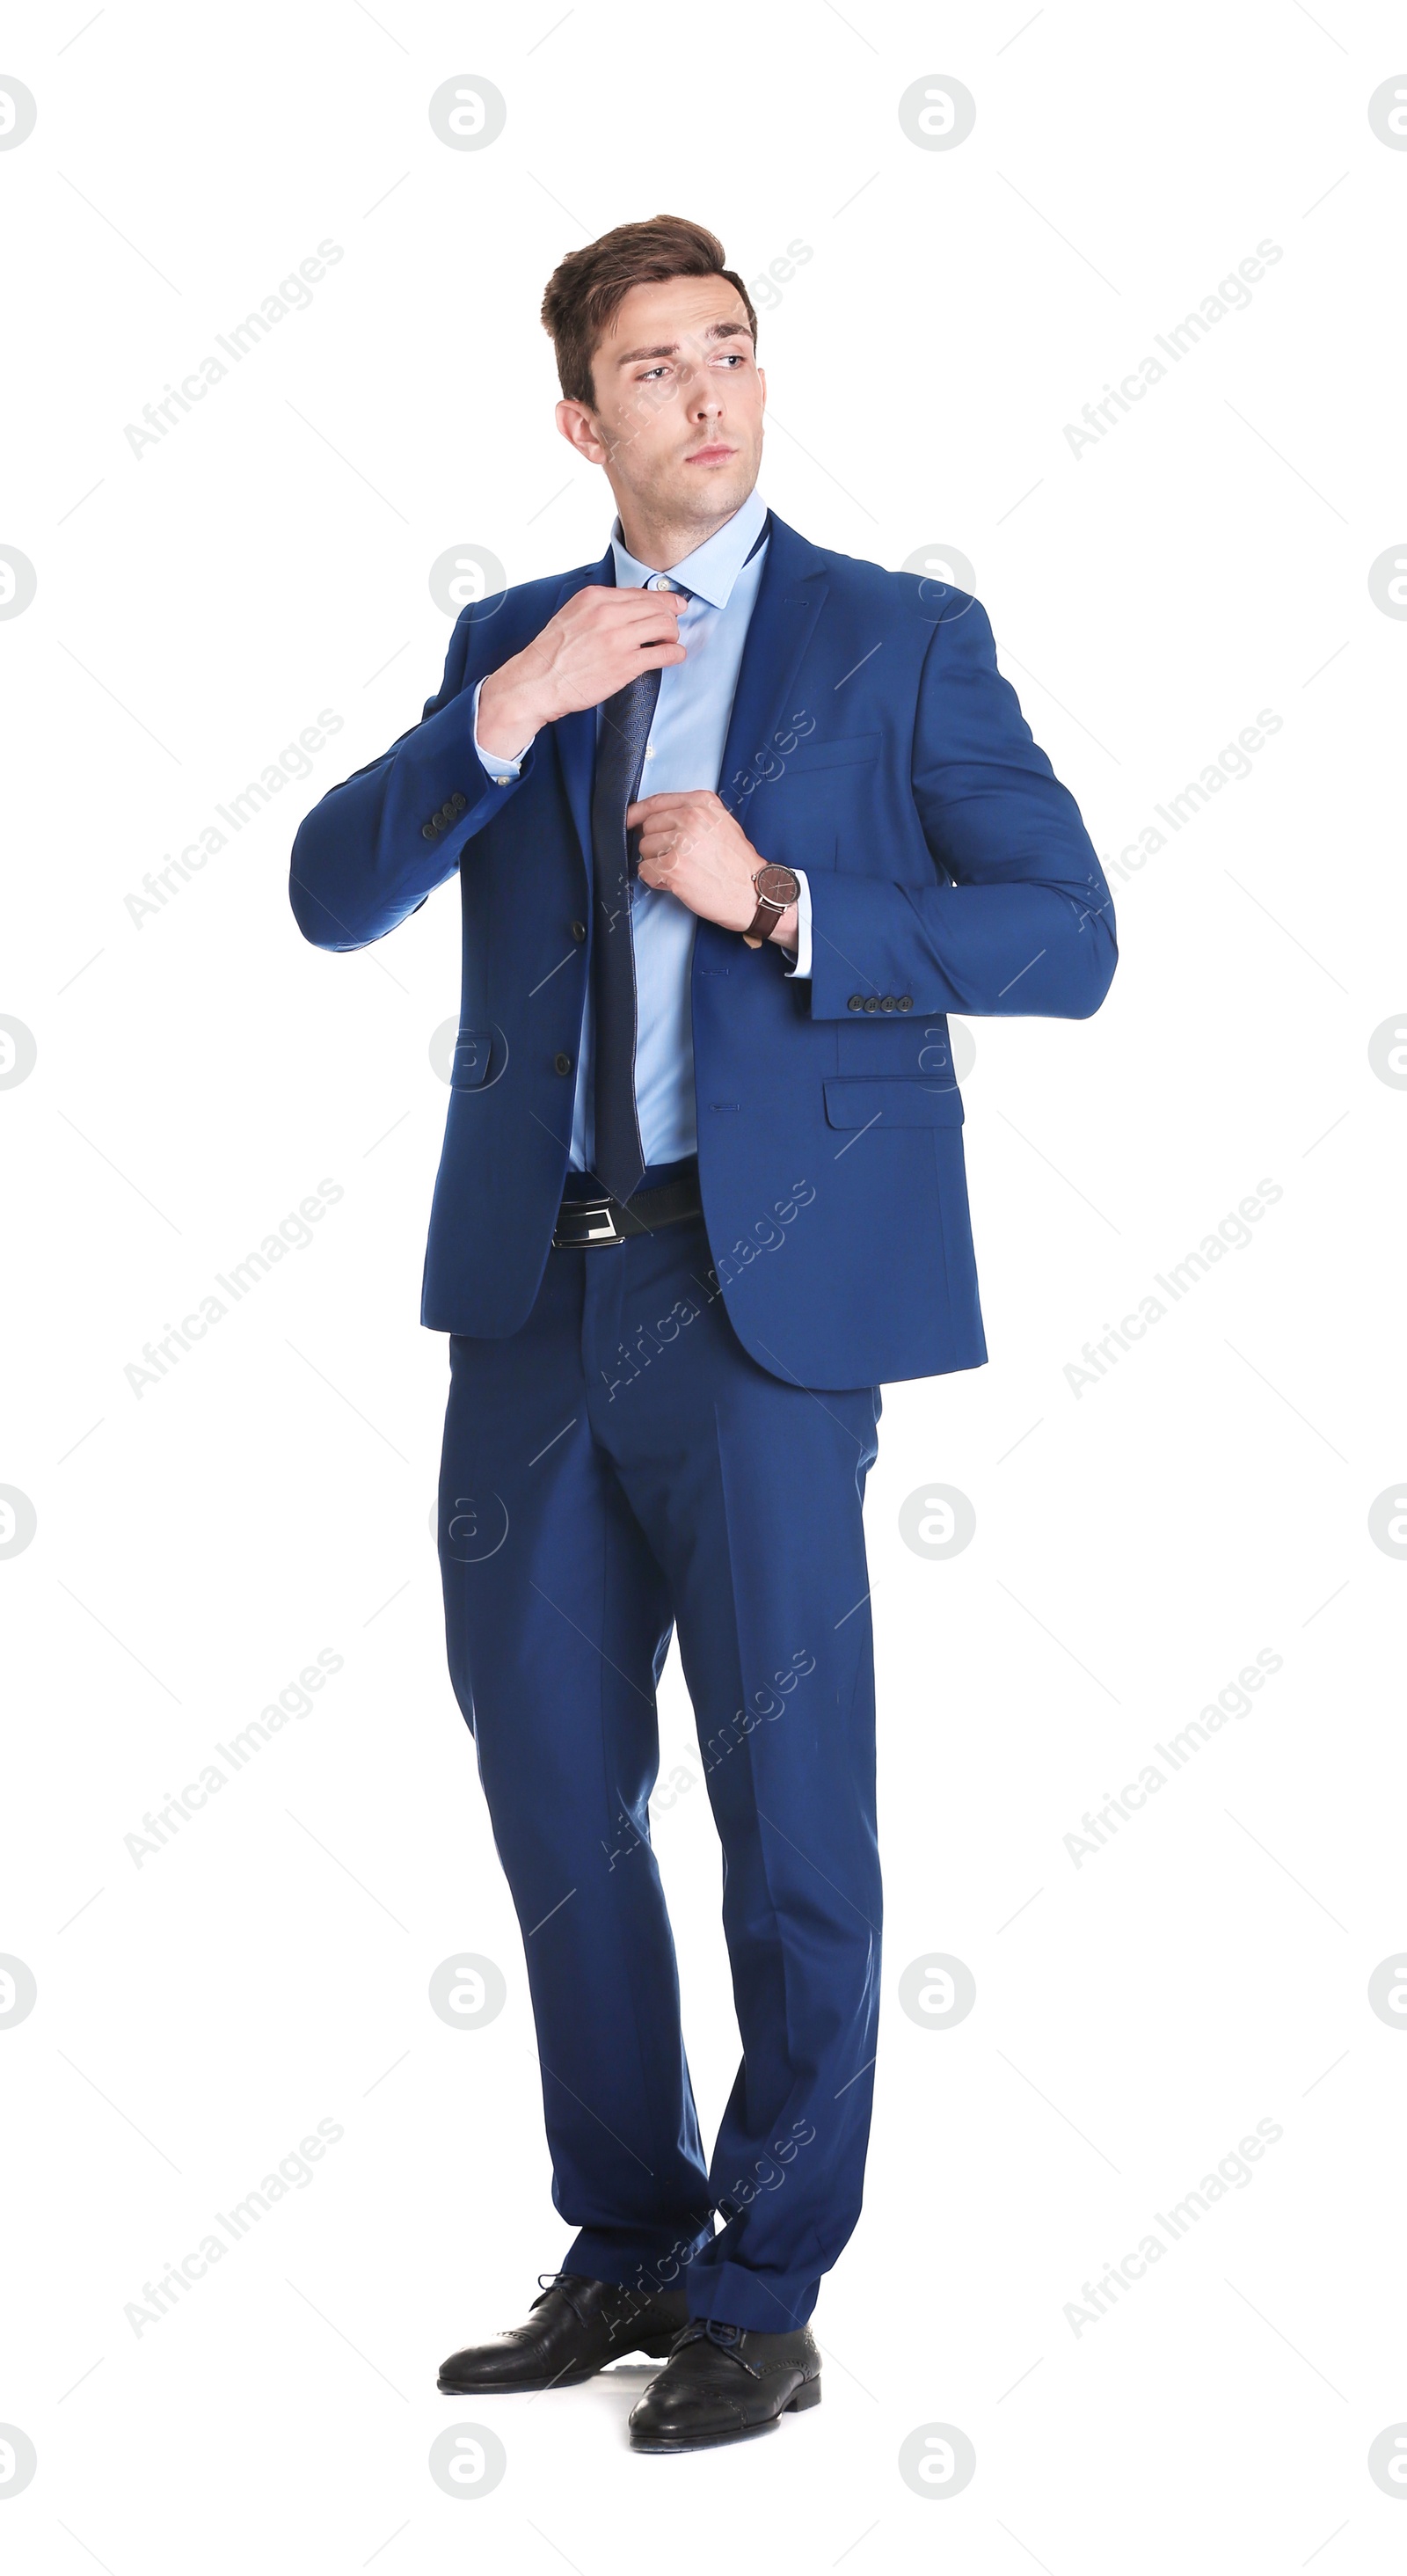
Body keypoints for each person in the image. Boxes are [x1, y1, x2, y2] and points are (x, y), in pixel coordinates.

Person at [289, 213, 1117, 2455]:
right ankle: (628, 2239)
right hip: (533, 1302)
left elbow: (1067, 936)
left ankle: (769, 2274)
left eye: (729, 350)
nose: (706, 394)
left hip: (757, 1297)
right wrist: (506, 711)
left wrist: (775, 894)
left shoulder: (897, 637)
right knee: (557, 1792)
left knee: (790, 1811)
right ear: (581, 420)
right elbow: (330, 888)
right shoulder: (512, 641)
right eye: (653, 368)